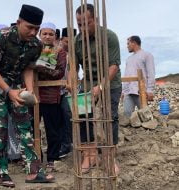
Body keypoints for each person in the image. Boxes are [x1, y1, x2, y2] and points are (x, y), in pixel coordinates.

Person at [0, 4, 54, 187]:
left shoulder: (35, 45)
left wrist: (29, 91)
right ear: (19, 22)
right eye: (29, 27)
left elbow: (29, 68)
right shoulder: (1, 37)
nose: (33, 32)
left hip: (15, 85)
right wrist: (8, 91)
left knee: (24, 126)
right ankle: (0, 174)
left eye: (36, 29)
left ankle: (33, 171)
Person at [75, 4, 122, 174]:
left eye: (85, 23)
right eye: (79, 24)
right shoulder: (77, 40)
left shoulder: (109, 37)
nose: (82, 28)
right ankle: (90, 154)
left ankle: (110, 154)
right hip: (88, 81)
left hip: (110, 81)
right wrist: (72, 80)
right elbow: (74, 66)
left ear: (94, 19)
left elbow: (114, 66)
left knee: (111, 116)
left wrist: (101, 86)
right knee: (83, 115)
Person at [37, 22, 66, 168]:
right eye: (45, 33)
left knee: (52, 130)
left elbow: (59, 73)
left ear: (55, 36)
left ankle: (52, 159)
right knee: (33, 128)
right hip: (33, 96)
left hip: (50, 96)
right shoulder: (33, 48)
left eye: (51, 34)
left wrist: (40, 67)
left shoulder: (59, 50)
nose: (47, 37)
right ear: (39, 34)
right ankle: (36, 158)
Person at [122, 35, 155, 117]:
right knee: (127, 115)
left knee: (145, 116)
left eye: (128, 43)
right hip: (128, 92)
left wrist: (150, 90)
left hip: (141, 91)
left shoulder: (147, 55)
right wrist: (123, 91)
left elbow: (151, 73)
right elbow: (126, 75)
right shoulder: (129, 59)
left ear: (134, 43)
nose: (127, 46)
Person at [58, 27, 77, 158]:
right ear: (61, 40)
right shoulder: (55, 51)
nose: (68, 44)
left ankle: (66, 145)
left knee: (67, 116)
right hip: (53, 91)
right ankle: (59, 146)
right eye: (66, 41)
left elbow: (73, 71)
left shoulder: (74, 54)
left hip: (66, 91)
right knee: (56, 119)